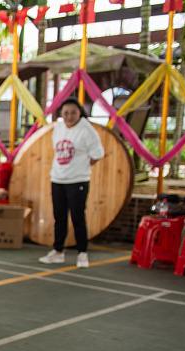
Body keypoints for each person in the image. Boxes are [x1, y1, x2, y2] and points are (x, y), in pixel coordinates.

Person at [39, 97, 104, 268]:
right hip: (57, 179)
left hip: (78, 180)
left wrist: (81, 167)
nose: (69, 116)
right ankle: (58, 251)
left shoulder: (87, 130)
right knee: (59, 217)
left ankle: (82, 253)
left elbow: (97, 154)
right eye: (66, 113)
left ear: (79, 113)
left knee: (77, 217)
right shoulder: (58, 128)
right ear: (61, 114)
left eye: (73, 113)